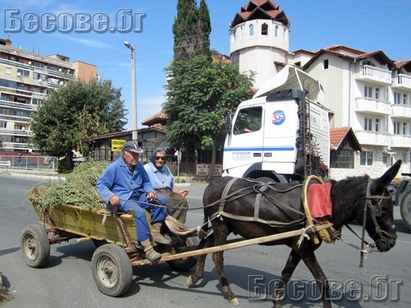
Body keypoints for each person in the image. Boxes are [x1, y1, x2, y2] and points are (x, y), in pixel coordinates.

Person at [96, 141, 170, 262]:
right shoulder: (114, 167)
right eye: (133, 154)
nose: (136, 157)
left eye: (137, 154)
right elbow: (101, 184)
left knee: (161, 200)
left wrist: (150, 191)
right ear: (124, 154)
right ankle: (147, 249)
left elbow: (146, 182)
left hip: (138, 195)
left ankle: (156, 232)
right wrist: (110, 196)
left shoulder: (139, 166)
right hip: (123, 198)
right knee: (139, 212)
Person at [144, 149, 189, 224]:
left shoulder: (165, 168)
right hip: (155, 193)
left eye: (162, 158)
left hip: (168, 192)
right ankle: (165, 225)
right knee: (167, 200)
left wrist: (179, 192)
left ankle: (177, 225)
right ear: (153, 158)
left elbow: (169, 187)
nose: (160, 160)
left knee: (182, 201)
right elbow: (144, 185)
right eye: (157, 158)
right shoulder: (147, 168)